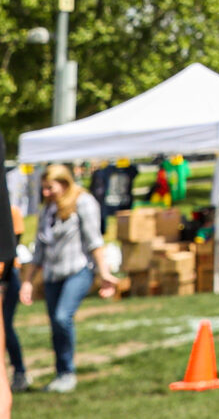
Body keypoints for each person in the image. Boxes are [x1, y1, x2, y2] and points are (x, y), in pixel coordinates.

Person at [22, 164, 118, 393]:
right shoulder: (48, 210)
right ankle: (60, 373)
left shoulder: (82, 202)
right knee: (55, 324)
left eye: (50, 188)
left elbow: (95, 240)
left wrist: (103, 273)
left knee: (62, 316)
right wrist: (27, 281)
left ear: (64, 184)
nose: (45, 193)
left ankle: (67, 372)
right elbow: (39, 250)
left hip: (78, 270)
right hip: (53, 274)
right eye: (43, 188)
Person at [1, 139, 27, 394]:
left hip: (8, 276)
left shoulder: (11, 212)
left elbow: (9, 251)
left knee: (6, 327)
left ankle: (19, 371)